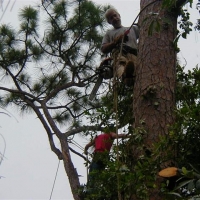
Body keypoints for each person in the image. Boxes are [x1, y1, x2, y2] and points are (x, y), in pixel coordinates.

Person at [101, 8, 139, 86]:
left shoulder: (133, 29)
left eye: (115, 16)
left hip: (134, 55)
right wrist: (115, 42)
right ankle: (125, 75)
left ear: (119, 15)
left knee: (136, 70)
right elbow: (103, 48)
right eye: (111, 18)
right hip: (120, 54)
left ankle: (130, 78)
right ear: (109, 22)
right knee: (120, 65)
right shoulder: (109, 33)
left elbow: (144, 28)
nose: (114, 18)